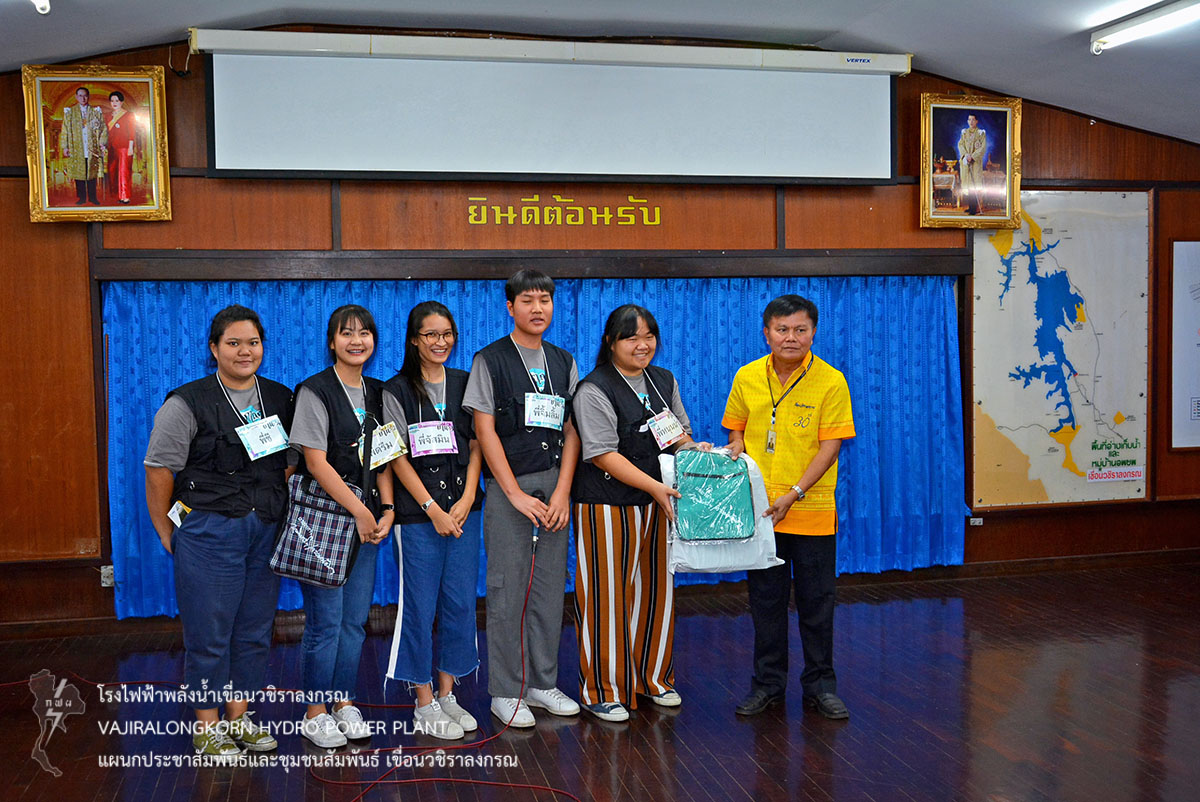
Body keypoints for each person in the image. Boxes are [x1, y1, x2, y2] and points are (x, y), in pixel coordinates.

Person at [144, 305, 293, 761]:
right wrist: (167, 529)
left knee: (254, 629)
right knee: (209, 632)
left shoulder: (280, 397)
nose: (245, 351)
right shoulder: (186, 402)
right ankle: (207, 727)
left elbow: (290, 463)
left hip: (264, 529)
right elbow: (158, 469)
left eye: (253, 343)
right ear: (214, 349)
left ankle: (239, 718)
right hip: (208, 530)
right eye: (233, 343)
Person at [571, 304, 710, 722]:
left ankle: (653, 679)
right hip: (606, 504)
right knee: (606, 596)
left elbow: (678, 434)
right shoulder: (594, 388)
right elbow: (602, 453)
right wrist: (653, 486)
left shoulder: (663, 380)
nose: (642, 344)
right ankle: (602, 690)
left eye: (649, 336)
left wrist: (694, 450)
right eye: (631, 337)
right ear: (610, 342)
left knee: (656, 593)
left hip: (658, 503)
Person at [723, 294, 856, 720]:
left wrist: (794, 493)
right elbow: (737, 432)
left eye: (801, 329)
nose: (791, 338)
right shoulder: (747, 376)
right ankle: (767, 685)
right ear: (767, 333)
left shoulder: (831, 381)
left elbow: (831, 447)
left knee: (818, 604)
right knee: (766, 604)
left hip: (810, 511)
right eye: (782, 330)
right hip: (762, 514)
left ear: (813, 332)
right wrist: (734, 448)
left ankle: (821, 686)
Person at [463, 268, 582, 727]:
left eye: (545, 300)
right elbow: (484, 430)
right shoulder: (490, 360)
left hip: (554, 489)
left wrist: (563, 491)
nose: (537, 309)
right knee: (507, 591)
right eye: (528, 301)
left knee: (549, 591)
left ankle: (542, 684)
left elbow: (572, 430)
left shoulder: (563, 361)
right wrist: (513, 493)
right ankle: (507, 692)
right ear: (510, 307)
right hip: (508, 491)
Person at [289, 304, 397, 748]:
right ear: (332, 342)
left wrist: (386, 508)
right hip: (324, 521)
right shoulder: (314, 391)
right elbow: (315, 463)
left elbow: (384, 457)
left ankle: (342, 702)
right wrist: (359, 509)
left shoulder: (380, 392)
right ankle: (314, 712)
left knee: (354, 621)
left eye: (364, 332)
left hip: (367, 522)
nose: (357, 341)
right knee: (325, 623)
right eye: (347, 333)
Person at [383, 301, 484, 741]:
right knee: (420, 608)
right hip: (418, 517)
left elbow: (478, 443)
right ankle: (423, 700)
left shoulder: (465, 383)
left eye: (447, 334)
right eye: (430, 335)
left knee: (460, 603)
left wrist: (466, 498)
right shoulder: (395, 390)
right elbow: (395, 456)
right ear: (413, 340)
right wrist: (432, 509)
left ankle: (447, 693)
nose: (440, 342)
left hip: (464, 512)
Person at [58, 86, 107, 205]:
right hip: (76, 147)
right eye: (80, 96)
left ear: (88, 97)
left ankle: (93, 197)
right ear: (76, 97)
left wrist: (102, 143)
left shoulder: (95, 112)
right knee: (79, 173)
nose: (83, 98)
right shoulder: (70, 112)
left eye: (85, 95)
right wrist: (65, 146)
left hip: (92, 147)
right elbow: (65, 130)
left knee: (92, 173)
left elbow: (103, 128)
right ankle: (81, 198)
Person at [106, 91, 136, 204]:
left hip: (124, 147)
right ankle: (116, 195)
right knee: (112, 171)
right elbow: (106, 133)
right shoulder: (108, 116)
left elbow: (132, 132)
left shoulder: (128, 115)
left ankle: (125, 196)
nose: (114, 103)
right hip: (111, 148)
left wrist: (131, 147)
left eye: (117, 100)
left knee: (123, 172)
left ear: (121, 102)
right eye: (112, 101)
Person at [957, 113, 987, 215]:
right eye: (969, 120)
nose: (971, 122)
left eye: (973, 120)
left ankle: (974, 208)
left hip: (975, 164)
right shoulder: (964, 133)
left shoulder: (981, 133)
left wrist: (972, 157)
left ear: (976, 121)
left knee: (975, 185)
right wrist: (966, 155)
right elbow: (960, 144)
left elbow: (982, 148)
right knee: (968, 185)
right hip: (966, 162)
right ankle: (970, 207)